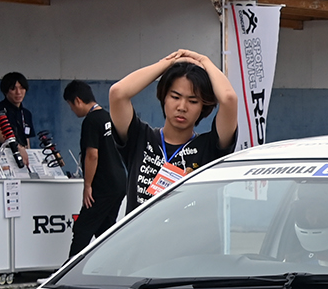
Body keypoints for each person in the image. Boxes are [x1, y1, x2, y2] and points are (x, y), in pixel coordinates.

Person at [109, 50, 239, 212]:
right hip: (141, 237)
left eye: (192, 101)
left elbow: (229, 99)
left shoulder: (209, 148)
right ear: (164, 97)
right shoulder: (140, 138)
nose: (182, 107)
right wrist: (169, 63)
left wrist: (205, 61)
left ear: (203, 107)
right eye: (175, 97)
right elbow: (118, 93)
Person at [62, 80, 126, 256]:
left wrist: (87, 185)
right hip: (120, 181)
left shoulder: (91, 120)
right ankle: (115, 266)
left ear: (77, 101)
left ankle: (68, 272)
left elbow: (92, 155)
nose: (73, 110)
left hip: (103, 184)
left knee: (83, 228)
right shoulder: (107, 116)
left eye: (70, 105)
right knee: (105, 230)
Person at [0, 71, 34, 167]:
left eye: (21, 88)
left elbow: (26, 139)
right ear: (5, 90)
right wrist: (17, 147)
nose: (18, 92)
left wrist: (29, 156)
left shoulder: (26, 113)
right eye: (13, 88)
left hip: (21, 161)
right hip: (1, 160)